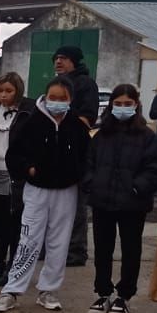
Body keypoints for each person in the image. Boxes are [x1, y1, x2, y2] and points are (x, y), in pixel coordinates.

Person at [0, 76, 90, 313]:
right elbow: (14, 154)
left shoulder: (76, 125)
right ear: (45, 98)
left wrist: (80, 176)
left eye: (62, 99)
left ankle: (48, 290)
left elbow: (88, 156)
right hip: (37, 190)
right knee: (28, 239)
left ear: (70, 100)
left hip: (66, 191)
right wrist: (29, 169)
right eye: (52, 98)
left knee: (59, 242)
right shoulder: (31, 122)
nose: (57, 103)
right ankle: (12, 290)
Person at [82, 84, 157, 313]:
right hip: (103, 201)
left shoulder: (147, 137)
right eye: (117, 103)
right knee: (102, 249)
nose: (122, 108)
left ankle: (124, 296)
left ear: (136, 105)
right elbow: (88, 163)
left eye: (127, 104)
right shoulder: (101, 135)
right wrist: (92, 183)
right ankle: (103, 292)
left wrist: (138, 187)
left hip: (133, 204)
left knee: (131, 250)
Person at [0, 72, 34, 285]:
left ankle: (13, 264)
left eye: (8, 91)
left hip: (17, 176)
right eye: (1, 91)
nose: (4, 95)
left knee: (16, 224)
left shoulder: (27, 112)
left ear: (17, 91)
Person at [53, 46, 98, 267]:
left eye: (64, 58)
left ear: (75, 61)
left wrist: (63, 128)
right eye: (57, 58)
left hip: (77, 151)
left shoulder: (85, 84)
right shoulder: (57, 84)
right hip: (54, 150)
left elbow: (87, 117)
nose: (58, 62)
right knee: (53, 205)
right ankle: (51, 247)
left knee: (76, 204)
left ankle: (76, 251)